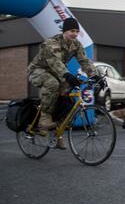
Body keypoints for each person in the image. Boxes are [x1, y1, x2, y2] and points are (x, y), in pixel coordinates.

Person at [27, 17, 102, 149]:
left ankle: (57, 135)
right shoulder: (52, 42)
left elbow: (84, 61)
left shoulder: (76, 45)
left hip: (57, 72)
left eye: (76, 31)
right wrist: (67, 74)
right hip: (38, 70)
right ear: (65, 31)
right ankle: (44, 119)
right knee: (52, 84)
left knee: (65, 99)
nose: (74, 34)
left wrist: (95, 76)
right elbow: (55, 62)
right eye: (71, 30)